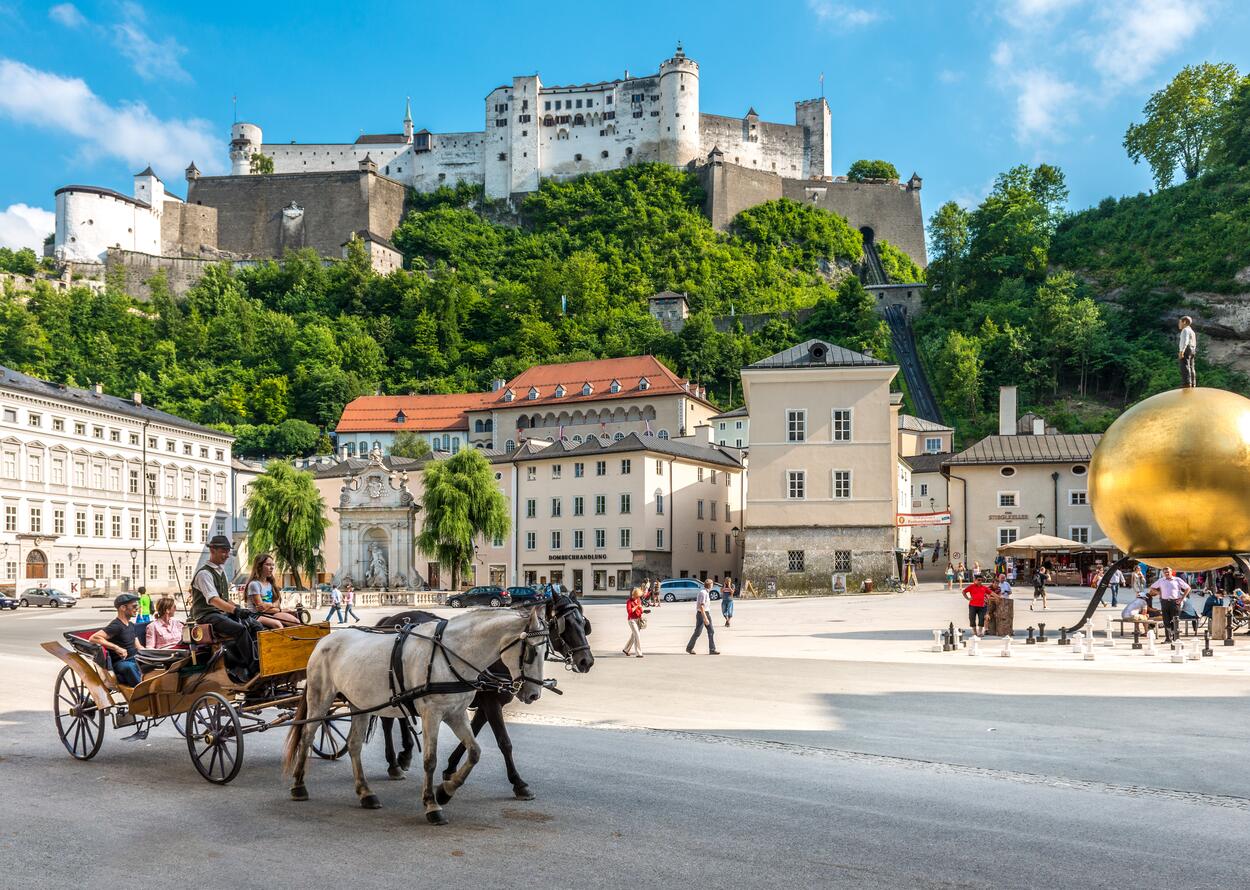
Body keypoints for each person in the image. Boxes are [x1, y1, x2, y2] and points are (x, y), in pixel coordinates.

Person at [189, 535, 258, 682]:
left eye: (228, 551)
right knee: (239, 629)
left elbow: (225, 599)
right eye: (223, 551)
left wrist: (239, 608)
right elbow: (214, 600)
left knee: (254, 624)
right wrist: (235, 611)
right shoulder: (204, 574)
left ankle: (253, 659)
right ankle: (254, 667)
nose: (227, 555)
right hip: (207, 616)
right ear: (212, 550)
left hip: (220, 614)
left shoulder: (221, 572)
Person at [91, 593, 144, 687]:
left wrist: (154, 653)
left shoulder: (131, 625)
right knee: (129, 667)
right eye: (134, 606)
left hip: (135, 658)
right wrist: (116, 648)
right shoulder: (116, 625)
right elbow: (93, 638)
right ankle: (141, 692)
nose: (137, 608)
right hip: (121, 663)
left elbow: (138, 646)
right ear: (123, 608)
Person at [244, 553, 300, 629]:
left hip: (270, 612)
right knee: (278, 624)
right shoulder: (254, 584)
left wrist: (271, 606)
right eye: (268, 565)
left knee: (295, 622)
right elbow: (261, 609)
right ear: (259, 567)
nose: (272, 567)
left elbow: (276, 603)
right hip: (256, 615)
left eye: (272, 565)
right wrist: (277, 608)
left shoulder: (270, 584)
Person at [1150, 566, 1191, 641]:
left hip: (1174, 602)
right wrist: (1159, 593)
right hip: (1165, 602)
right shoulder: (1161, 580)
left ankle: (1176, 638)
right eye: (1165, 572)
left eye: (1168, 572)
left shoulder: (1177, 580)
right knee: (1166, 620)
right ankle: (1168, 638)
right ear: (1163, 573)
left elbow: (1188, 588)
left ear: (1171, 572)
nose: (1167, 573)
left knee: (1175, 620)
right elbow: (1152, 587)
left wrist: (1182, 598)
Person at [686, 579, 719, 655]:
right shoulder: (703, 593)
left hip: (706, 613)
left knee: (711, 631)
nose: (713, 586)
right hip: (702, 614)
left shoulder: (706, 592)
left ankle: (712, 649)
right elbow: (701, 606)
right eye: (712, 584)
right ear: (710, 585)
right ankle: (689, 648)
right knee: (698, 632)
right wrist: (705, 618)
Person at [623, 587, 645, 658]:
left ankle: (626, 649)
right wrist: (637, 606)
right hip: (632, 620)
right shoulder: (629, 601)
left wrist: (642, 611)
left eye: (639, 596)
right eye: (638, 596)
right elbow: (629, 611)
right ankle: (639, 653)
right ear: (634, 595)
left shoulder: (638, 600)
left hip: (638, 619)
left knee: (633, 636)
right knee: (637, 635)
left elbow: (640, 610)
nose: (639, 597)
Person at [1178, 315, 1197, 388]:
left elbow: (1185, 341)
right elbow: (1194, 342)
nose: (1179, 324)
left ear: (1184, 322)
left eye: (1180, 322)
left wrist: (1182, 351)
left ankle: (1186, 383)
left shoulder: (1185, 330)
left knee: (1184, 365)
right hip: (1192, 349)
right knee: (1192, 367)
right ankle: (1193, 383)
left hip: (1186, 348)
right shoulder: (1192, 331)